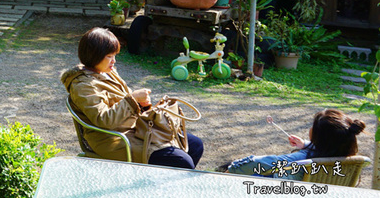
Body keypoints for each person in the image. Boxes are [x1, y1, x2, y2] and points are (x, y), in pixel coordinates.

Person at [61, 27, 204, 168]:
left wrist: (141, 103)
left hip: (133, 129)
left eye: (115, 55)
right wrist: (132, 99)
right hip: (112, 138)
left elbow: (124, 102)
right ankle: (155, 188)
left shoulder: (105, 72)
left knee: (195, 145)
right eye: (109, 56)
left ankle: (157, 185)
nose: (114, 61)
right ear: (94, 55)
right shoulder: (83, 85)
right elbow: (103, 120)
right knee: (181, 161)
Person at [226, 109, 366, 179]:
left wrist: (232, 168)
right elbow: (328, 147)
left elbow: (258, 162)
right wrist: (305, 144)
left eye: (314, 127)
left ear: (320, 136)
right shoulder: (348, 157)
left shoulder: (304, 160)